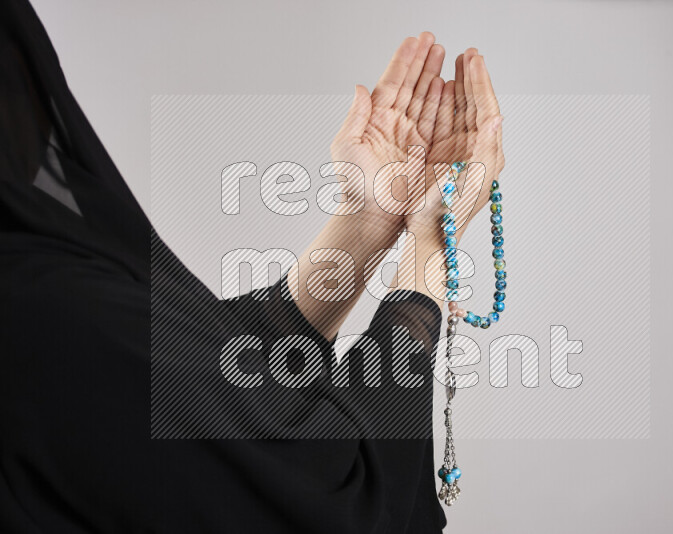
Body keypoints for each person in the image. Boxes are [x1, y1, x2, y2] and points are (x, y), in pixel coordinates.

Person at [0, 1, 504, 531]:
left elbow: (198, 386)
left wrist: (364, 227)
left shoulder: (37, 277)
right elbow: (331, 502)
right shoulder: (38, 311)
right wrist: (430, 242)